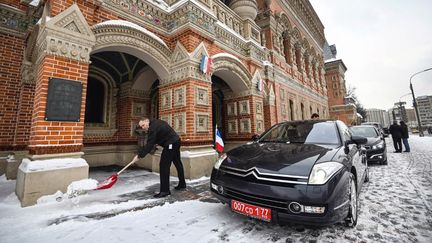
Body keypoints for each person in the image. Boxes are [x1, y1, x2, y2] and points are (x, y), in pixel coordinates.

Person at [132, 117, 186, 198]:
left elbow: (149, 145)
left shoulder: (152, 128)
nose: (143, 127)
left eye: (143, 125)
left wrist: (140, 155)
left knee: (164, 166)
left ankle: (165, 191)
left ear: (147, 121)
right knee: (177, 162)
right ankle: (182, 184)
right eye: (141, 126)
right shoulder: (155, 122)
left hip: (171, 143)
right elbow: (158, 137)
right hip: (176, 141)